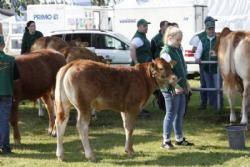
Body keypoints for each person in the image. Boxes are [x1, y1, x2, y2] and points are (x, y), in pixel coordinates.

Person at [160, 26, 193, 149]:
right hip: (170, 89)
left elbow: (182, 68)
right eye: (178, 40)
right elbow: (167, 73)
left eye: (180, 40)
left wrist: (186, 83)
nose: (180, 42)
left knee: (180, 112)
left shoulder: (177, 50)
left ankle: (179, 138)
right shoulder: (165, 53)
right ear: (169, 38)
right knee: (171, 113)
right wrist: (176, 86)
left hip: (181, 86)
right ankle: (166, 140)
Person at [194, 16, 222, 111]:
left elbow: (223, 52)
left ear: (214, 28)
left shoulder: (219, 40)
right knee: (210, 88)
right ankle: (214, 106)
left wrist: (217, 54)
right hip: (206, 68)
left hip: (216, 69)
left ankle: (218, 106)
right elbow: (198, 52)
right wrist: (197, 58)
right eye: (209, 29)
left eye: (212, 28)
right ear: (206, 29)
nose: (211, 30)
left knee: (218, 87)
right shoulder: (202, 40)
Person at [0, 35, 20, 154]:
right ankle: (5, 147)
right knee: (4, 120)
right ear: (3, 45)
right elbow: (16, 78)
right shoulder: (11, 60)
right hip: (6, 93)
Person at [130, 18, 153, 117]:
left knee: (142, 90)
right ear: (139, 27)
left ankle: (140, 108)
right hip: (140, 69)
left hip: (143, 68)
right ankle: (137, 109)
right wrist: (136, 63)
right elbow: (132, 48)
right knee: (138, 90)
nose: (146, 28)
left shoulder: (142, 37)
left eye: (147, 26)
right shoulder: (138, 38)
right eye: (144, 26)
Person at [21, 20, 44, 116]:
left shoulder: (39, 34)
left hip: (38, 58)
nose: (34, 27)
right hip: (28, 58)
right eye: (32, 26)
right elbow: (23, 49)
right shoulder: (25, 35)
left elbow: (43, 46)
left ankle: (41, 106)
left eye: (34, 26)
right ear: (28, 27)